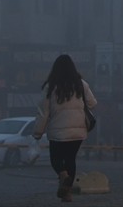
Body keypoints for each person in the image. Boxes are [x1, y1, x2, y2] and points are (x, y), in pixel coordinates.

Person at [32, 55, 97, 203]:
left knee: (56, 159)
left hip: (57, 132)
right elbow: (92, 103)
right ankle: (67, 194)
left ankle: (62, 176)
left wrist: (37, 132)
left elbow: (43, 112)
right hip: (78, 131)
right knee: (70, 160)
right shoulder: (81, 84)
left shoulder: (51, 86)